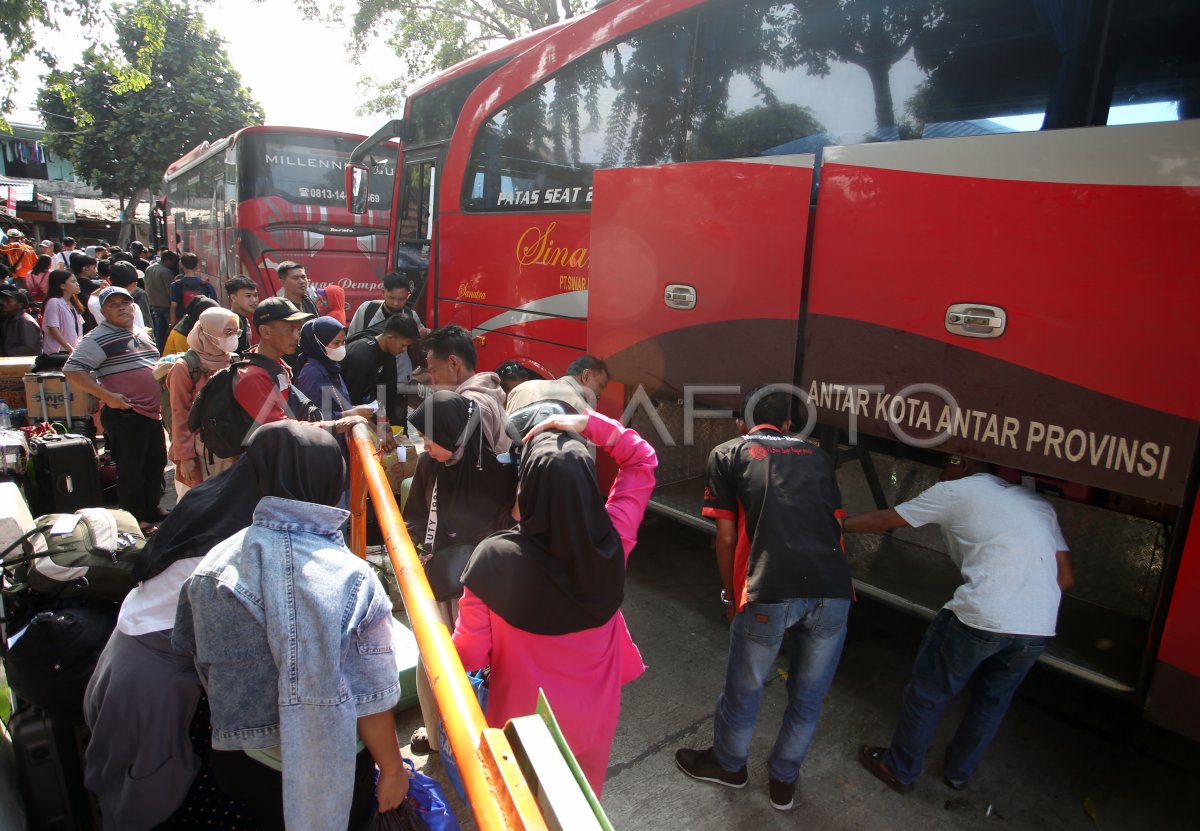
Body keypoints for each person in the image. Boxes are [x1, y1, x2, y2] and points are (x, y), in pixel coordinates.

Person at [172, 422, 409, 830]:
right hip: (332, 766)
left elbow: (197, 656)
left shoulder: (212, 567)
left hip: (243, 760)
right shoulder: (353, 577)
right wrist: (391, 769)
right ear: (330, 478)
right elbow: (371, 696)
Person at [85, 431, 291, 830]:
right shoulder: (244, 537)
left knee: (129, 779)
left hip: (128, 650)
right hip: (159, 678)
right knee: (160, 795)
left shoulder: (217, 495)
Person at [453, 408, 656, 795]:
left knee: (522, 812)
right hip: (594, 720)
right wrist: (588, 424)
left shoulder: (492, 560)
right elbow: (643, 458)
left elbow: (470, 656)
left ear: (525, 488)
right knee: (581, 806)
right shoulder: (614, 541)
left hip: (522, 727)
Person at [845, 456, 1074, 793]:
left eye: (947, 462)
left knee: (927, 693)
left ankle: (900, 768)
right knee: (991, 702)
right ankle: (958, 773)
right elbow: (1065, 578)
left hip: (981, 616)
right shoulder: (1037, 504)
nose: (940, 470)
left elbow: (884, 520)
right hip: (1038, 627)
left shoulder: (955, 491)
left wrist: (838, 525)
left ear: (966, 465)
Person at [675, 388, 852, 812]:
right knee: (809, 697)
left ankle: (730, 766)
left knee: (746, 686)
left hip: (768, 588)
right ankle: (783, 782)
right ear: (790, 424)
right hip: (834, 590)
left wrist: (730, 594)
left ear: (741, 422)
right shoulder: (819, 457)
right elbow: (837, 526)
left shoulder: (729, 453)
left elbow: (726, 535)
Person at [405, 391, 518, 753]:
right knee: (433, 657)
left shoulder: (502, 470)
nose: (426, 447)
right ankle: (436, 734)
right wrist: (418, 552)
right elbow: (414, 518)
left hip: (484, 587)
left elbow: (509, 527)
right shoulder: (429, 466)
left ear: (456, 433)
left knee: (486, 662)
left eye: (429, 439)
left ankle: (483, 734)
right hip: (438, 580)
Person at [64, 286, 167, 531]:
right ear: (104, 311)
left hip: (150, 412)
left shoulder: (140, 333)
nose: (121, 307)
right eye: (113, 304)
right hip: (125, 413)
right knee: (132, 470)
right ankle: (135, 519)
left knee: (155, 463)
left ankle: (151, 509)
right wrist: (107, 396)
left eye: (125, 302)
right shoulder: (98, 337)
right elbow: (72, 369)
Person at [168, 307, 241, 498]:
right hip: (200, 452)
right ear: (209, 333)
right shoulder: (184, 368)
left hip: (228, 447)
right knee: (196, 503)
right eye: (228, 332)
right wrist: (185, 457)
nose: (233, 337)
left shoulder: (233, 360)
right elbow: (179, 414)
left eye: (236, 332)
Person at [422, 324, 512, 452]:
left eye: (433, 371)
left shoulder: (468, 404)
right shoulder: (487, 389)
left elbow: (472, 465)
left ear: (453, 363)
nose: (432, 381)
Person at [293, 315, 375, 455]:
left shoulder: (332, 367)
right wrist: (346, 414)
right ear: (318, 343)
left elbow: (337, 402)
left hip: (339, 443)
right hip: (322, 449)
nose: (341, 347)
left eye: (343, 342)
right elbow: (309, 417)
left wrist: (354, 410)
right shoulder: (311, 373)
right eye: (335, 343)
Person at [342, 314, 421, 427]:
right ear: (389, 337)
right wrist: (379, 429)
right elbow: (351, 402)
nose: (404, 350)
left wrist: (384, 425)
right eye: (403, 345)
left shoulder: (388, 352)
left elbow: (385, 390)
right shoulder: (363, 357)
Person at [505, 354, 609, 414]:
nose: (599, 394)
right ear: (586, 376)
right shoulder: (584, 412)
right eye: (601, 386)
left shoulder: (521, 389)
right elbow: (585, 452)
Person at [89, 261, 148, 331]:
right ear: (134, 284)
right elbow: (140, 332)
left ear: (109, 280)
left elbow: (92, 297)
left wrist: (102, 289)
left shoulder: (95, 304)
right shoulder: (133, 307)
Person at [41, 269, 85, 355]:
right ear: (62, 286)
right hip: (59, 352)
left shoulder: (73, 303)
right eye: (73, 282)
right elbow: (53, 328)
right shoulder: (54, 302)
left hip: (73, 350)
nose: (77, 284)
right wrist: (69, 348)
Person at [168, 253, 217, 326]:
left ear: (182, 266)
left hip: (182, 325)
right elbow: (214, 306)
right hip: (201, 324)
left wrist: (172, 326)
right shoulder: (206, 285)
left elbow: (173, 307)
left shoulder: (176, 285)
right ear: (197, 266)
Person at [144, 249, 179, 350]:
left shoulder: (149, 268)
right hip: (166, 305)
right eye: (172, 261)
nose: (173, 264)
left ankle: (159, 348)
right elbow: (170, 291)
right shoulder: (166, 272)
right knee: (170, 330)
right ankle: (168, 348)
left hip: (154, 304)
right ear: (167, 260)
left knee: (159, 330)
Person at [0, 287, 42, 356]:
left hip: (27, 363)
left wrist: (5, 353)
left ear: (20, 305)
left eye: (8, 301)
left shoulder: (25, 321)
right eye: (3, 301)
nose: (4, 304)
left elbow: (28, 347)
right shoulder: (9, 319)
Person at [224, 275, 259, 353]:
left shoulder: (243, 320)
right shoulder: (232, 321)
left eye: (255, 295)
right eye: (248, 296)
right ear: (233, 298)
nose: (254, 300)